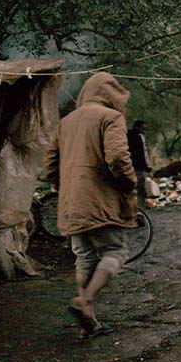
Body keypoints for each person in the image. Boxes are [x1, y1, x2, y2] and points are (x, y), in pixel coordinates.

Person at [43, 72, 137, 338]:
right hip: (100, 199)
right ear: (110, 95)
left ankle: (89, 321)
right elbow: (118, 157)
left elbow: (49, 164)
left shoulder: (66, 122)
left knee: (84, 256)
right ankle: (85, 301)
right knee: (115, 251)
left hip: (71, 200)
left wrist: (62, 185)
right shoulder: (110, 117)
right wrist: (129, 183)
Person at [127, 120, 152, 200]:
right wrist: (148, 167)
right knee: (140, 186)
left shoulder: (126, 135)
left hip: (126, 165)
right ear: (137, 127)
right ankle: (141, 205)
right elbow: (144, 154)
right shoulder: (140, 137)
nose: (144, 131)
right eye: (143, 129)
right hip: (138, 167)